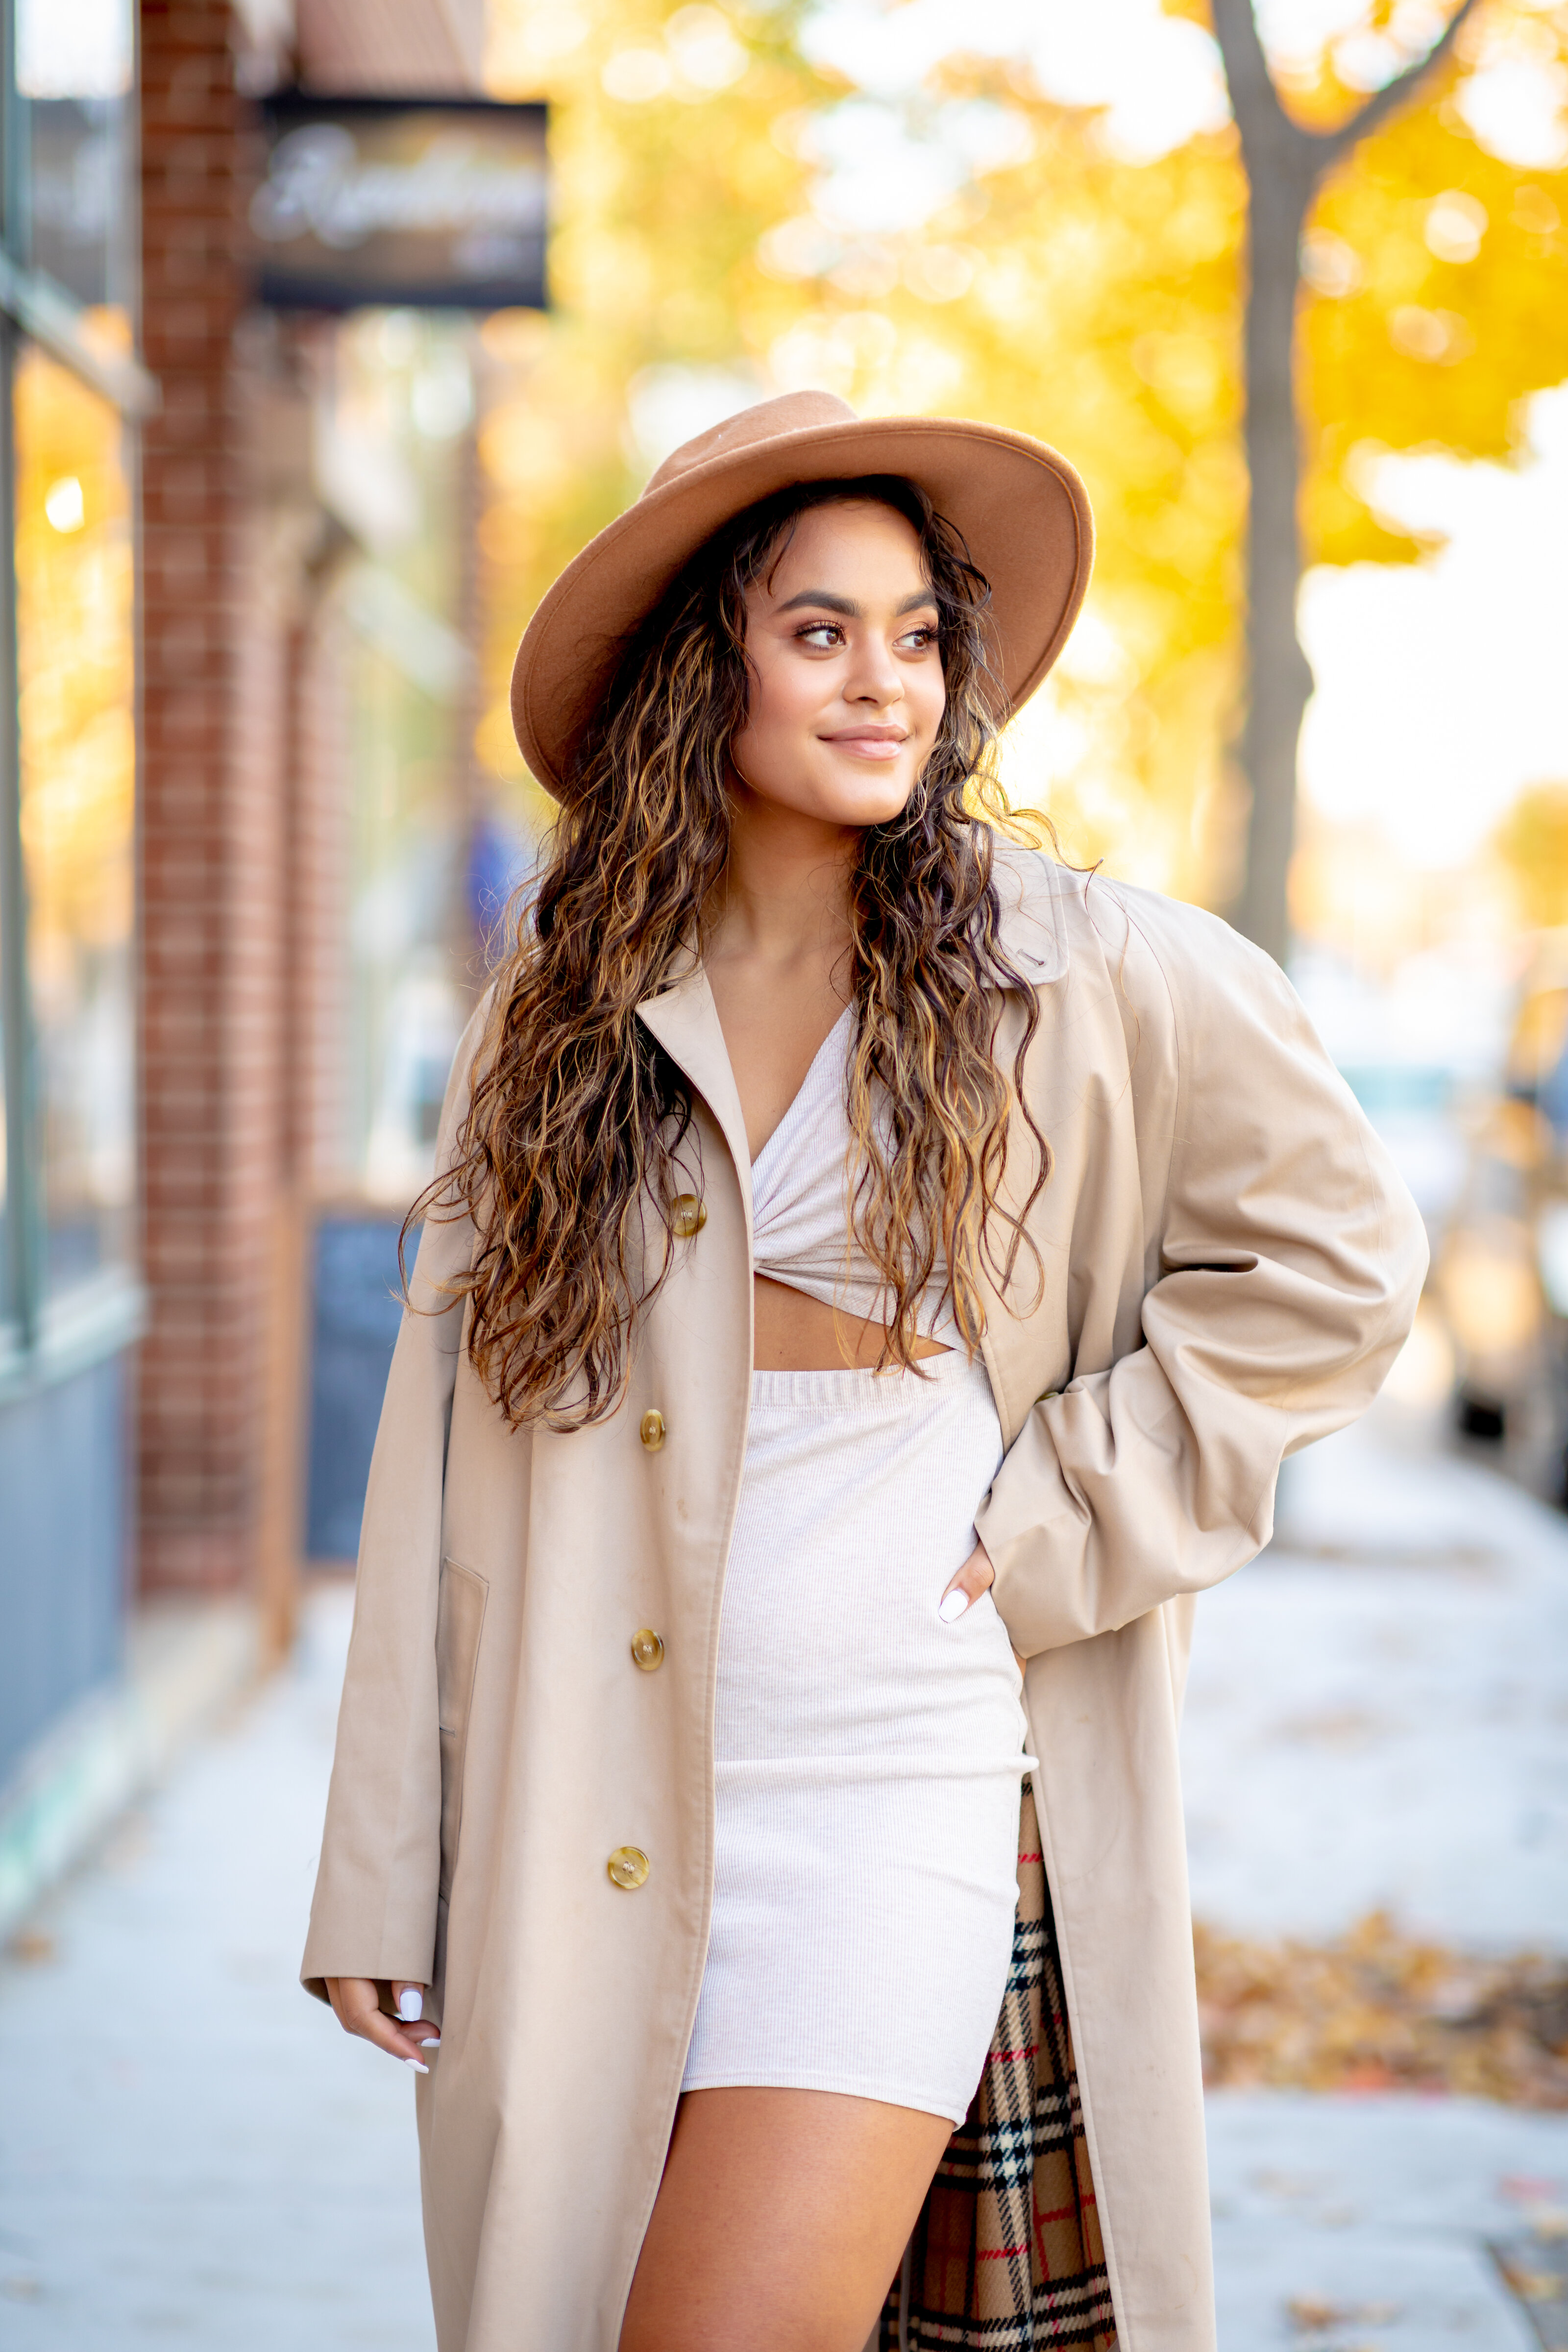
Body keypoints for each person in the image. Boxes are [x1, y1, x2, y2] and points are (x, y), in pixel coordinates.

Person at [301, 391, 1427, 2352]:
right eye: (817, 630)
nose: (881, 681)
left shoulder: (1074, 968)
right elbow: (443, 1459)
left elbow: (1342, 1259)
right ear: (697, 668)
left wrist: (1071, 1508)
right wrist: (386, 1860)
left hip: (894, 1780)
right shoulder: (553, 1021)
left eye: (914, 634)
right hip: (600, 1798)